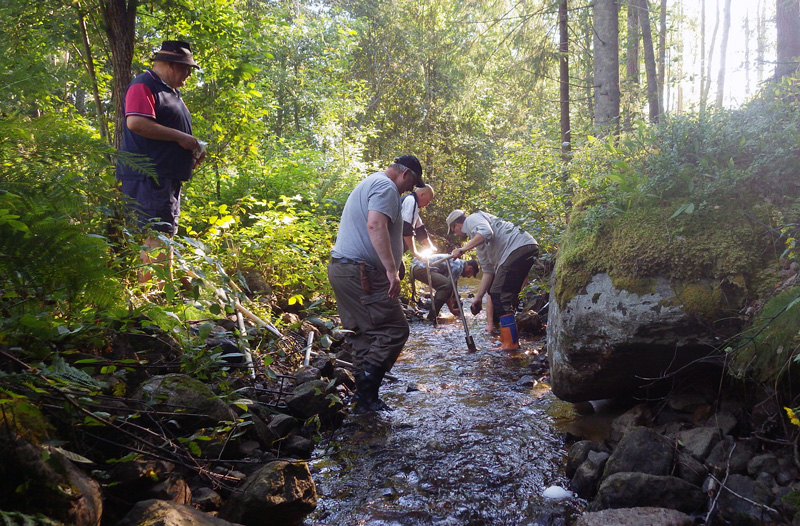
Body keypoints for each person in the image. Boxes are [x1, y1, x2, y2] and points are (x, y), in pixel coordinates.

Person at [328, 155, 425, 412]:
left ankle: (364, 398)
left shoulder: (370, 182)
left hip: (342, 268)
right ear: (405, 174)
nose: (410, 190)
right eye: (413, 183)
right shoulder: (386, 187)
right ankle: (366, 396)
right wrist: (391, 271)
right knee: (395, 329)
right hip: (361, 273)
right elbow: (375, 225)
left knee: (363, 335)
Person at [116, 40, 206, 283]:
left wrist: (191, 150)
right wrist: (183, 138)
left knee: (164, 234)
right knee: (157, 234)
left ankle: (162, 295)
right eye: (186, 69)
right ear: (169, 65)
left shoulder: (170, 92)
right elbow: (136, 123)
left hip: (165, 177)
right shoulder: (144, 85)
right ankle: (151, 301)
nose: (188, 74)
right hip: (149, 176)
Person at [447, 210, 538, 350]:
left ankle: (511, 343)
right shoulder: (479, 242)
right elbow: (488, 271)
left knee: (498, 294)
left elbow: (486, 232)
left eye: (453, 231)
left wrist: (463, 249)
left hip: (518, 247)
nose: (456, 235)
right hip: (527, 247)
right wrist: (478, 298)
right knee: (504, 294)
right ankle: (507, 337)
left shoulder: (471, 219)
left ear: (457, 224)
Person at [411, 254, 479, 321]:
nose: (469, 277)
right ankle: (432, 317)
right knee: (447, 286)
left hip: (418, 266)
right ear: (469, 268)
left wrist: (454, 298)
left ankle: (435, 314)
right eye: (471, 274)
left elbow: (451, 289)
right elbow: (447, 288)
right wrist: (451, 309)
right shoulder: (457, 267)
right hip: (420, 268)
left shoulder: (458, 264)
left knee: (451, 289)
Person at [402, 184, 436, 259]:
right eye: (427, 201)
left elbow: (420, 229)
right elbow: (406, 229)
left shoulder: (414, 207)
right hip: (391, 246)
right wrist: (415, 252)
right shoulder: (411, 201)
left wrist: (431, 246)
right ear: (422, 194)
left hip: (395, 249)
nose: (426, 205)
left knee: (401, 269)